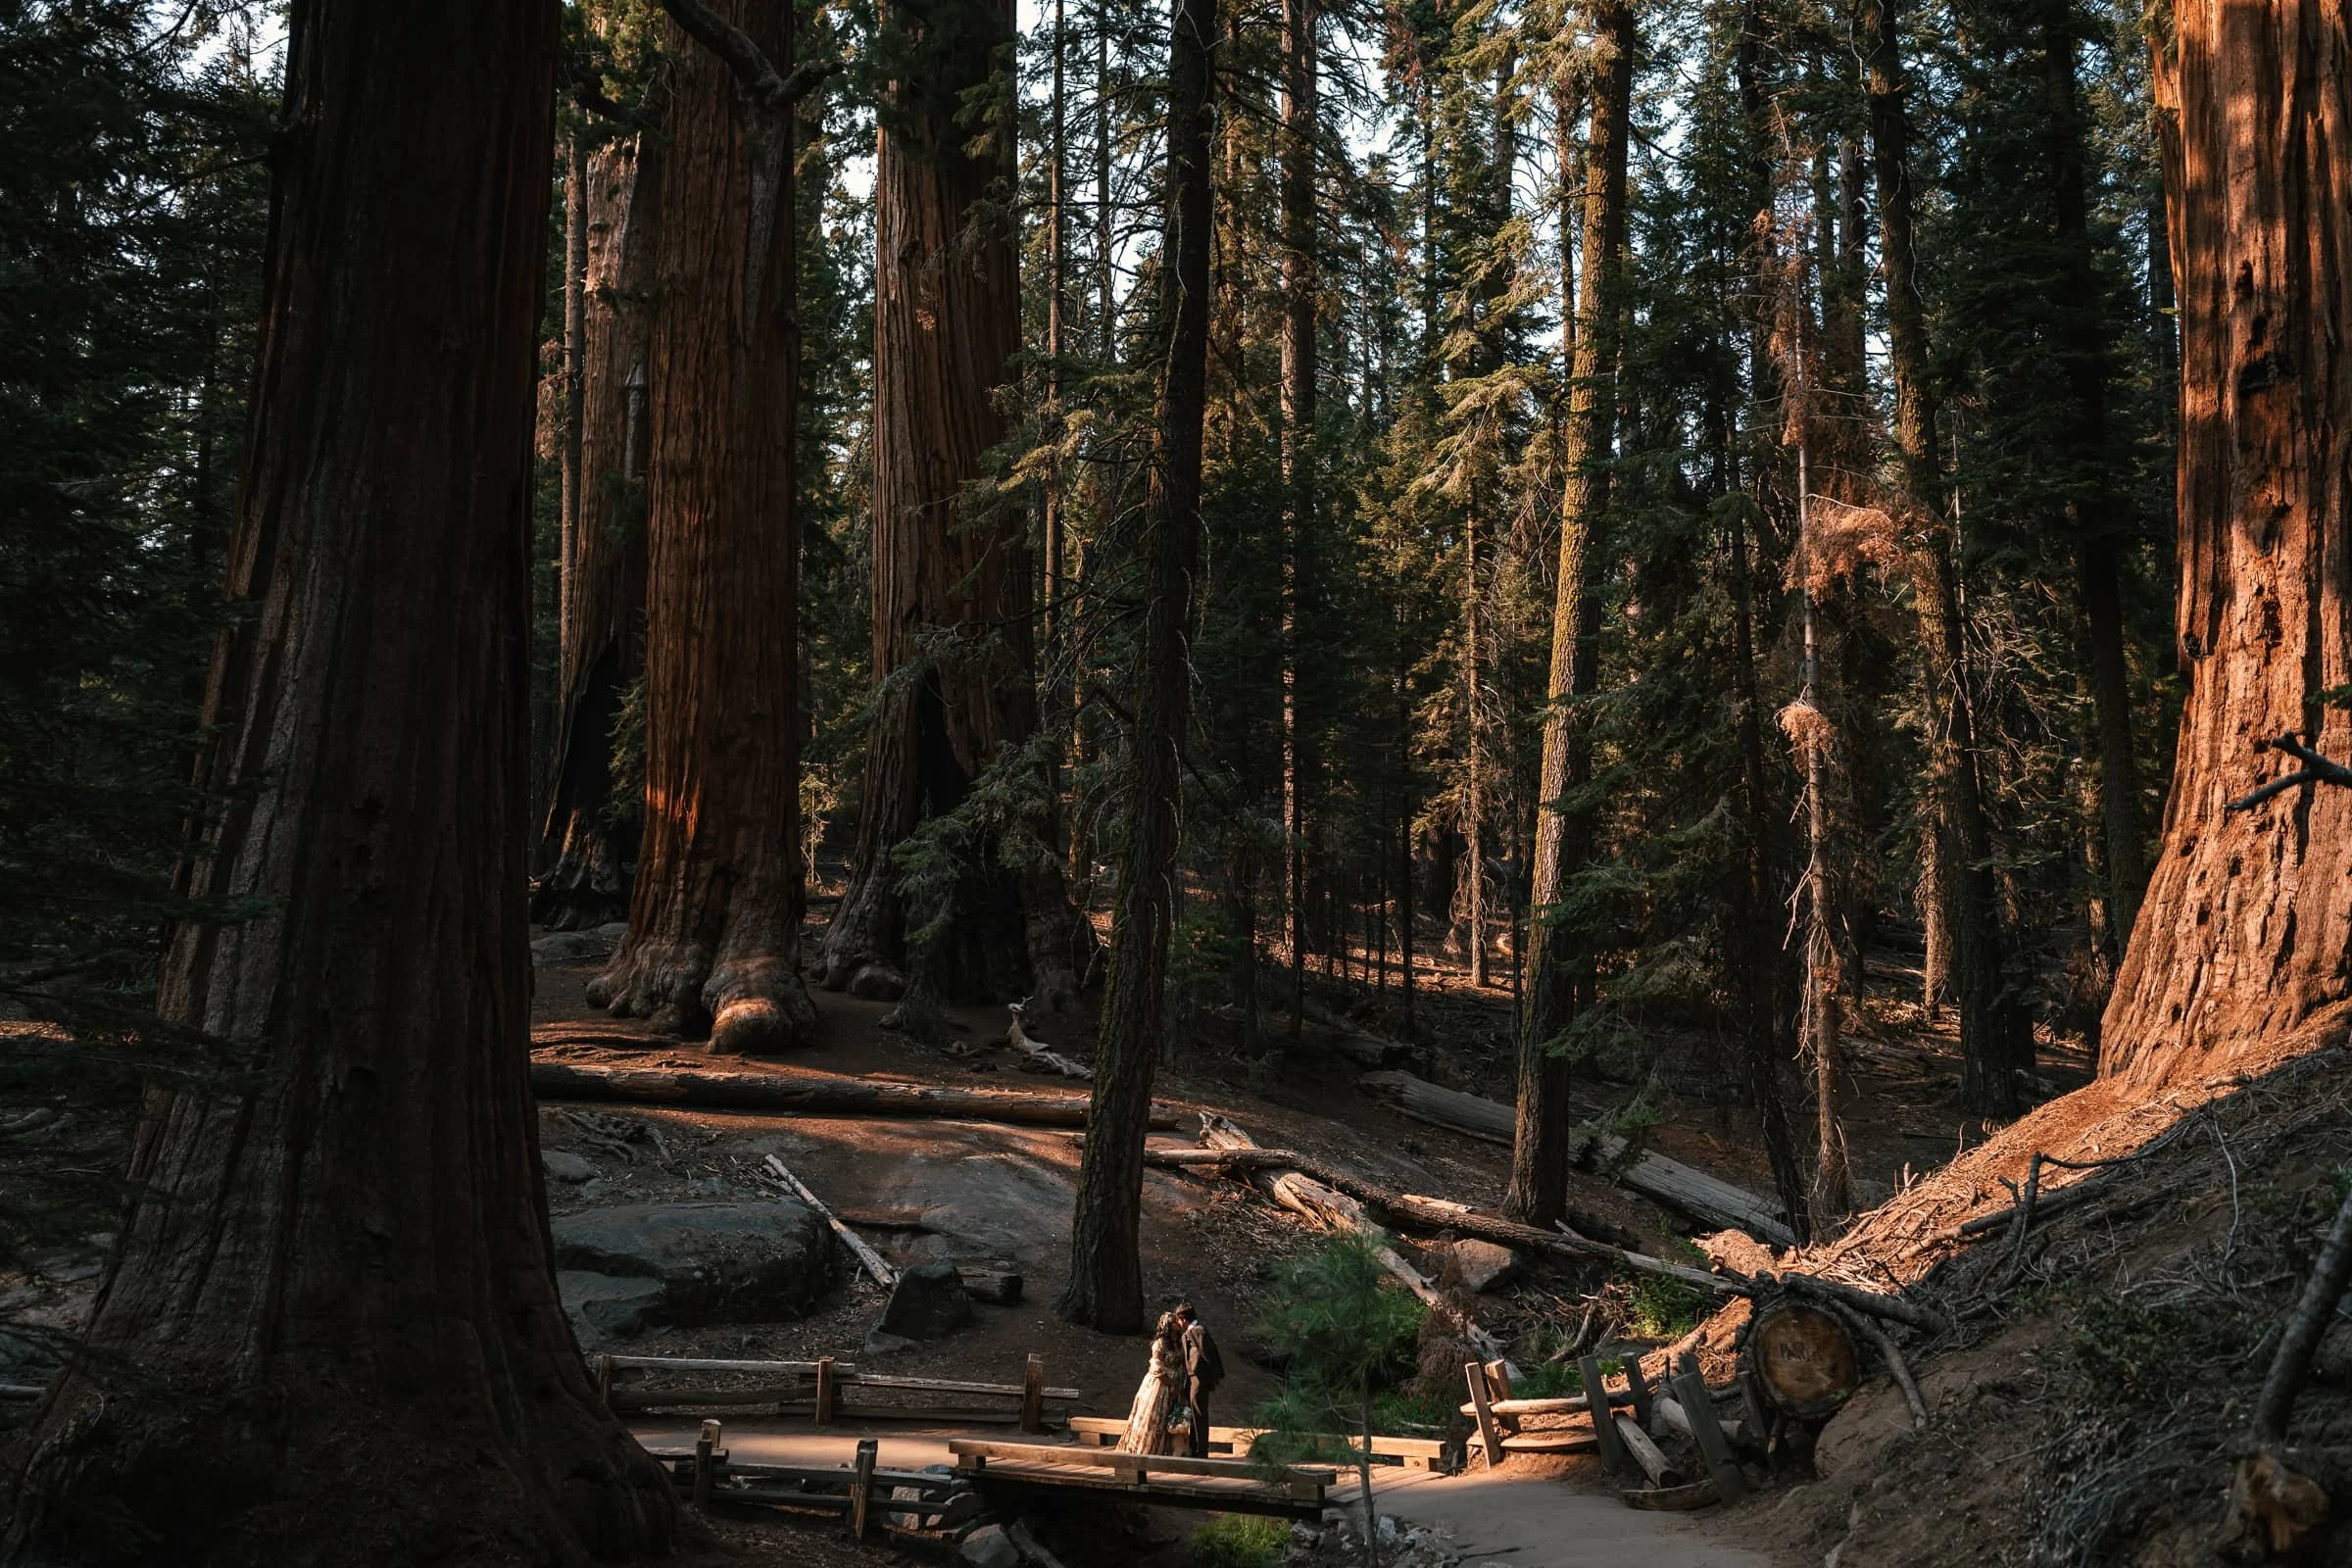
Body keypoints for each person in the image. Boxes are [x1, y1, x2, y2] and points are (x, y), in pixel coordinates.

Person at [1116, 1310, 1185, 1453]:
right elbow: (1156, 1366)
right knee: (1156, 1416)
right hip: (1160, 1385)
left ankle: (1169, 1449)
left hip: (1176, 1384)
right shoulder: (1160, 1343)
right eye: (1174, 1322)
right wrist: (1169, 1382)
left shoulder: (1179, 1342)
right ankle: (1150, 1449)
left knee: (1171, 1417)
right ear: (1168, 1325)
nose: (1177, 1324)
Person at [1174, 1303, 1223, 1458]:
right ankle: (1194, 1447)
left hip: (1199, 1381)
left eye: (1179, 1320)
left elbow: (1210, 1356)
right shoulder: (1192, 1332)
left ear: (1183, 1319)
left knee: (1200, 1414)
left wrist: (1212, 1378)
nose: (1179, 1324)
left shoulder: (1198, 1331)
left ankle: (1202, 1451)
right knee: (1194, 1414)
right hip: (1193, 1380)